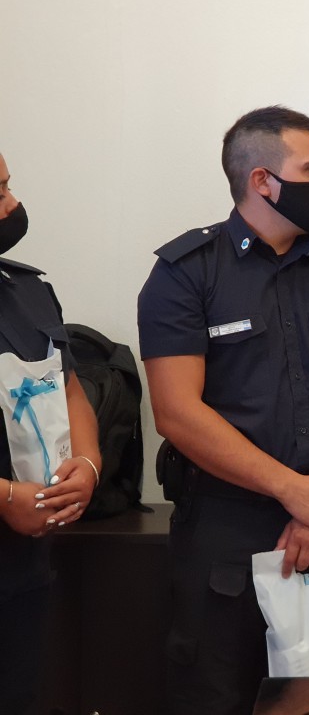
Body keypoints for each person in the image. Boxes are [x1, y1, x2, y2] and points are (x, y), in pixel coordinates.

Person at [137, 106, 309, 715]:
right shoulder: (184, 273)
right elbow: (176, 412)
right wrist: (291, 491)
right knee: (216, 695)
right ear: (262, 181)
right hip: (227, 528)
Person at [0, 151, 102, 714]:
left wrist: (86, 465)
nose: (14, 205)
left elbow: (69, 388)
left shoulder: (26, 289)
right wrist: (5, 497)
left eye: (9, 186)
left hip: (23, 564)